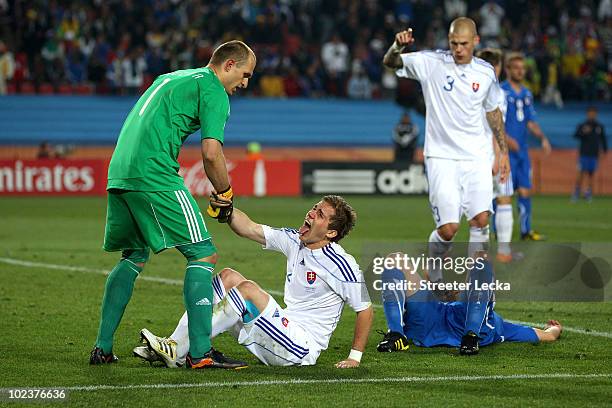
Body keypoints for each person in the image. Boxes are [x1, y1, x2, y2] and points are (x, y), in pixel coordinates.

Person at [90, 40, 257, 370]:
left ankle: (103, 347)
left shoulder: (172, 77)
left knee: (134, 256)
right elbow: (211, 153)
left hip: (120, 172)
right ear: (228, 65)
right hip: (154, 173)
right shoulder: (213, 91)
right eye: (245, 74)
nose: (245, 83)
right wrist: (225, 192)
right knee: (203, 253)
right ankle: (200, 353)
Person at [132, 196, 373, 368]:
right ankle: (174, 344)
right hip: (282, 328)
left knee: (247, 290)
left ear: (331, 233)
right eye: (314, 207)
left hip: (301, 347)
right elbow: (249, 228)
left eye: (320, 214)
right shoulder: (295, 240)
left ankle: (183, 350)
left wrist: (355, 357)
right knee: (228, 276)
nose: (311, 213)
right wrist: (228, 208)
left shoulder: (341, 263)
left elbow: (365, 309)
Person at [383, 18, 510, 282]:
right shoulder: (432, 63)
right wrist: (397, 46)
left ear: (475, 41)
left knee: (481, 220)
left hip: (476, 156)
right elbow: (391, 62)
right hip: (441, 157)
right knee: (449, 228)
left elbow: (493, 111)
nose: (458, 49)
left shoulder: (485, 72)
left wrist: (503, 151)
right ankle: (434, 272)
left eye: (464, 44)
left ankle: (477, 283)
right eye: (454, 43)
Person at [376, 254, 563, 354]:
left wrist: (552, 332)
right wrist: (553, 331)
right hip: (438, 318)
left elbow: (543, 336)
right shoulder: (498, 325)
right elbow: (542, 335)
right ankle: (397, 336)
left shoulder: (497, 323)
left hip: (429, 324)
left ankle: (470, 335)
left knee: (481, 262)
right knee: (395, 259)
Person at [475, 48, 520, 263]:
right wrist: (499, 155)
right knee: (502, 200)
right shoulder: (497, 93)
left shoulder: (469, 88)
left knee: (477, 207)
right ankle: (502, 252)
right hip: (491, 154)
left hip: (472, 155)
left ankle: (480, 257)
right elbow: (495, 126)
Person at [501, 53, 551, 241]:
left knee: (525, 190)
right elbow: (492, 121)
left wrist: (542, 138)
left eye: (523, 68)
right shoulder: (501, 92)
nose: (520, 71)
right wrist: (505, 139)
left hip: (522, 152)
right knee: (503, 194)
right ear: (508, 70)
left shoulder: (527, 93)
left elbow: (530, 122)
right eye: (516, 68)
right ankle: (500, 233)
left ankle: (525, 231)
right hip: (504, 152)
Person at [572, 106, 607, 202]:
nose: (592, 115)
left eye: (594, 113)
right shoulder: (583, 125)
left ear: (596, 114)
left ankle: (588, 194)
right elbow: (575, 135)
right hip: (584, 153)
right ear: (587, 114)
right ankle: (576, 193)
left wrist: (604, 151)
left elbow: (603, 140)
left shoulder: (599, 126)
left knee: (591, 174)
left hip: (594, 154)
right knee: (580, 173)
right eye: (590, 113)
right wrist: (583, 132)